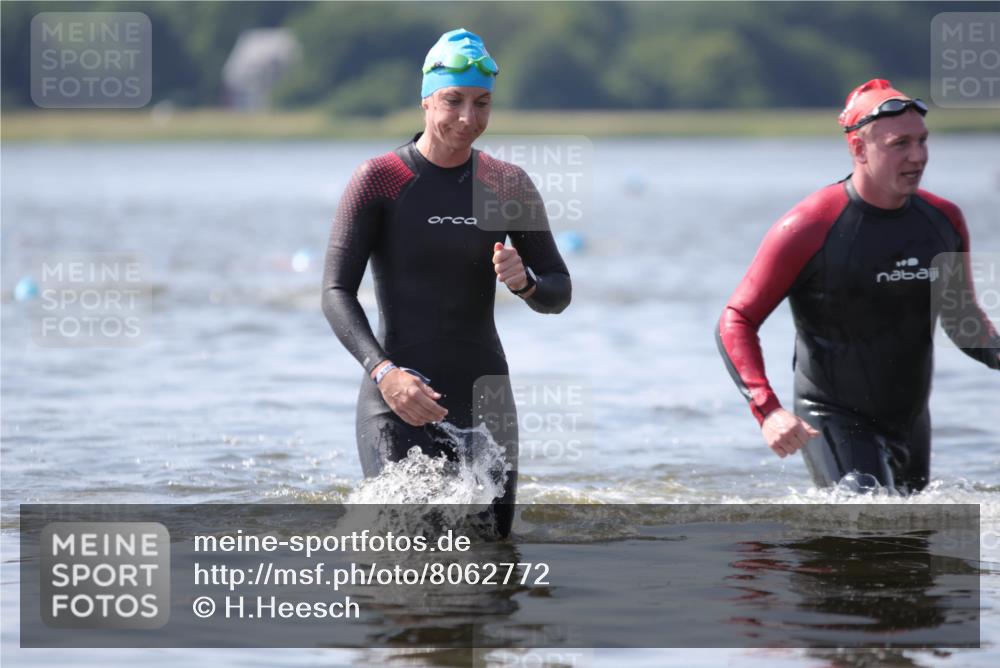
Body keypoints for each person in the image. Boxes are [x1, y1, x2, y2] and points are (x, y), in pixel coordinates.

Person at [322, 28, 571, 535]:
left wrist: (525, 284)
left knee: (494, 564)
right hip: (396, 401)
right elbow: (335, 292)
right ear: (426, 101)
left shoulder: (506, 183)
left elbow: (559, 289)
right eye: (453, 101)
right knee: (408, 556)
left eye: (482, 103)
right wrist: (385, 373)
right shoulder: (381, 179)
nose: (468, 118)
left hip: (487, 402)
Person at [717, 78, 999, 493]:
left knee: (911, 548)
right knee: (868, 523)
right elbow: (736, 319)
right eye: (899, 144)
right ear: (858, 149)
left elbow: (962, 321)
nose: (917, 156)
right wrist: (769, 410)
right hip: (830, 416)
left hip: (910, 421)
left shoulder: (943, 221)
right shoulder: (809, 227)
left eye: (922, 141)